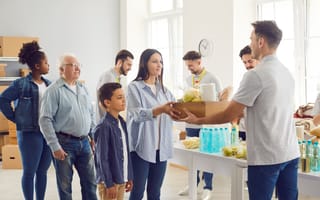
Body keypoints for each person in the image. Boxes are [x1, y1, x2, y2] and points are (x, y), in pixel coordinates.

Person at [181, 20, 300, 200]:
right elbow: (268, 109)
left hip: (266, 157)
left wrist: (197, 120)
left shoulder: (255, 75)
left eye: (251, 39)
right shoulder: (286, 73)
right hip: (291, 153)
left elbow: (229, 113)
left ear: (261, 42)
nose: (250, 43)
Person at [39, 54, 97, 200]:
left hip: (84, 143)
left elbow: (90, 114)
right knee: (65, 187)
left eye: (78, 65)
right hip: (64, 143)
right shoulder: (53, 90)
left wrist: (93, 136)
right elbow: (45, 120)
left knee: (90, 183)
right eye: (72, 65)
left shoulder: (83, 88)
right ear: (61, 69)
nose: (77, 68)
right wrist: (54, 146)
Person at [0, 41, 52, 200]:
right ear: (37, 66)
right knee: (29, 172)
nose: (48, 65)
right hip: (29, 133)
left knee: (42, 171)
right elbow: (3, 99)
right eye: (46, 63)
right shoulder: (21, 84)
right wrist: (15, 118)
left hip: (47, 134)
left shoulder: (50, 85)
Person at [126, 49, 179, 200]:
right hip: (141, 148)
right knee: (137, 192)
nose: (159, 65)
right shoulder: (134, 88)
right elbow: (137, 114)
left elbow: (174, 112)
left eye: (161, 62)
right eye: (155, 61)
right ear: (144, 63)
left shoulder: (165, 91)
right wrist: (160, 109)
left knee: (155, 192)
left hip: (161, 149)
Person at [178, 50, 222, 199]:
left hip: (207, 125)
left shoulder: (212, 78)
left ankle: (208, 187)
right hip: (191, 124)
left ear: (199, 62)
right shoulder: (187, 80)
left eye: (191, 65)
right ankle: (193, 183)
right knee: (192, 156)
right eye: (187, 66)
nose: (189, 68)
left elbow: (218, 101)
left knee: (207, 155)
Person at [93, 82, 133, 200]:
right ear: (107, 102)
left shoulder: (122, 122)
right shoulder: (104, 126)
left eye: (124, 97)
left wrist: (129, 176)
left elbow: (126, 152)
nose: (124, 100)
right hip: (109, 182)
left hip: (121, 178)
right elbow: (102, 159)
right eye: (119, 98)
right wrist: (109, 184)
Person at [96, 49, 134, 122]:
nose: (130, 68)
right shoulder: (108, 76)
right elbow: (102, 102)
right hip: (106, 123)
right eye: (128, 65)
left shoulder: (118, 78)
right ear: (120, 62)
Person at [237, 45, 258, 141]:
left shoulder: (263, 77)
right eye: (244, 62)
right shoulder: (247, 77)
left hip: (256, 130)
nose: (247, 65)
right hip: (243, 128)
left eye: (250, 61)